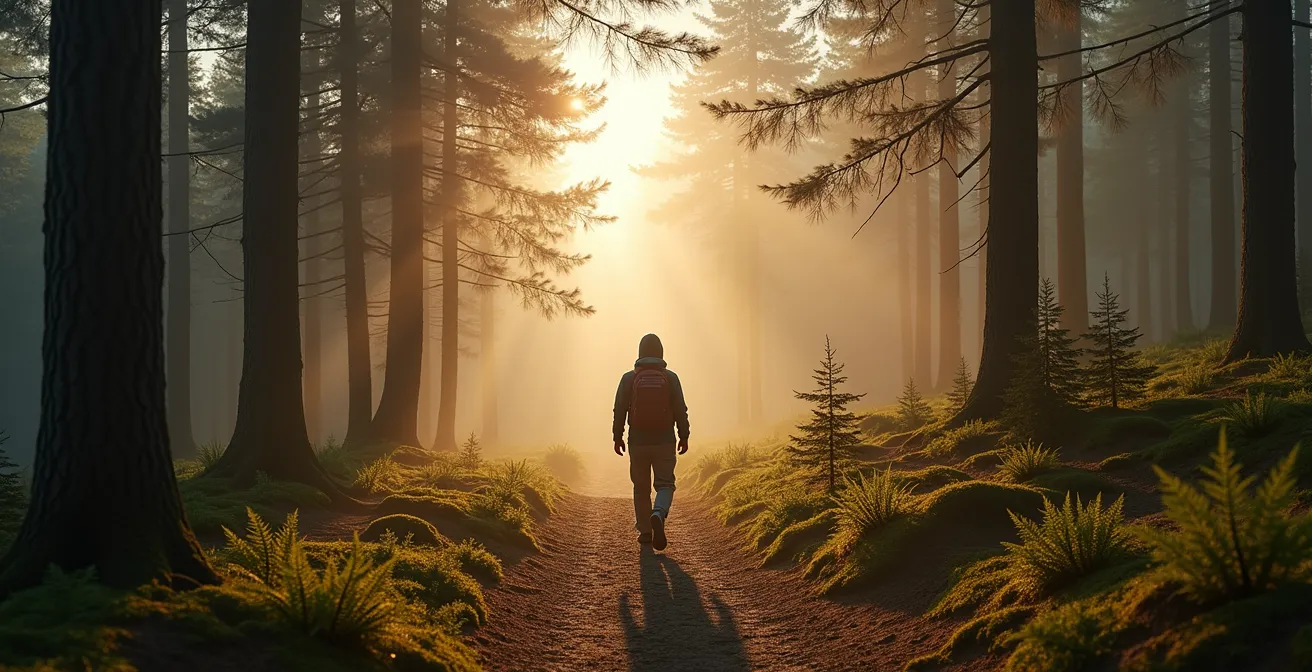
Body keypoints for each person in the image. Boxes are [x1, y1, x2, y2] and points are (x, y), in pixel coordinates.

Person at [613, 333, 690, 551]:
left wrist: (617, 436)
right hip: (665, 439)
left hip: (637, 440)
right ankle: (659, 513)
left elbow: (619, 409)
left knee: (641, 487)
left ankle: (646, 532)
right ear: (661, 353)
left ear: (640, 353)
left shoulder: (629, 378)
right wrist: (684, 435)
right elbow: (680, 409)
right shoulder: (671, 378)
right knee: (665, 484)